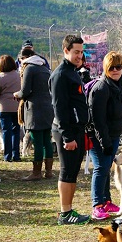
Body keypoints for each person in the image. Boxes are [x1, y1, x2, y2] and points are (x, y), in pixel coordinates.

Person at [50, 34, 90, 225]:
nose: (79, 56)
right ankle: (65, 213)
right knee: (67, 171)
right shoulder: (60, 75)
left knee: (73, 171)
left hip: (77, 128)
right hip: (66, 130)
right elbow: (59, 107)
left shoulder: (73, 71)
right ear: (66, 50)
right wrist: (67, 136)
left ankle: (69, 210)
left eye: (81, 52)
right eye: (76, 52)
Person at [87, 51, 122, 220]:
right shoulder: (101, 88)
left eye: (118, 67)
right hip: (99, 135)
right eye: (111, 67)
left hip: (113, 133)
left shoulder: (120, 84)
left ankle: (106, 201)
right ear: (105, 68)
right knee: (100, 168)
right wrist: (103, 141)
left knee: (106, 168)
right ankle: (97, 204)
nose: (115, 70)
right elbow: (98, 120)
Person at [15, 48, 55, 180]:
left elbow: (25, 91)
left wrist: (17, 94)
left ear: (24, 58)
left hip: (34, 109)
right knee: (46, 141)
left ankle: (36, 173)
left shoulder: (29, 68)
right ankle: (48, 172)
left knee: (37, 141)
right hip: (48, 107)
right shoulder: (45, 68)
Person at [0, 55, 22, 161]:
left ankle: (7, 155)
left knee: (6, 131)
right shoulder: (19, 76)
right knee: (16, 131)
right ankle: (16, 155)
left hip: (3, 107)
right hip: (17, 106)